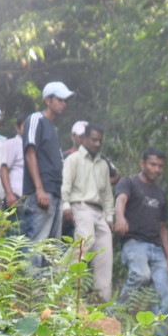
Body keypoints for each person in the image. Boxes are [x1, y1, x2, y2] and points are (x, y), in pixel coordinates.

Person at [115, 147, 168, 318]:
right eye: (153, 164)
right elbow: (121, 199)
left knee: (164, 298)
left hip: (157, 249)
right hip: (134, 243)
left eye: (160, 166)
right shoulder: (129, 182)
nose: (157, 169)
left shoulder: (160, 194)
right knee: (141, 275)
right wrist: (120, 218)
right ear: (142, 163)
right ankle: (113, 315)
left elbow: (162, 227)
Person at [20, 81, 74, 265]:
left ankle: (43, 291)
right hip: (41, 193)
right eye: (60, 99)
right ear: (47, 100)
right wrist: (39, 189)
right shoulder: (36, 119)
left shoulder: (53, 128)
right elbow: (30, 152)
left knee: (51, 249)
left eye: (65, 100)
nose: (63, 104)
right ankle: (29, 289)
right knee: (36, 244)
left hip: (55, 192)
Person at [61, 123, 115, 302]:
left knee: (105, 252)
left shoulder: (103, 164)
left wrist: (109, 216)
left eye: (100, 140)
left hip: (99, 212)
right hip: (80, 205)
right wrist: (66, 206)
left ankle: (102, 300)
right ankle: (62, 281)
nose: (97, 144)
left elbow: (107, 193)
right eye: (93, 139)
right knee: (86, 240)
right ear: (83, 139)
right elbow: (65, 185)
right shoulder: (73, 159)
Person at [0, 115, 25, 231]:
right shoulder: (12, 144)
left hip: (29, 198)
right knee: (15, 233)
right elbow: (4, 168)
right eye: (26, 126)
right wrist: (9, 194)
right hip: (15, 196)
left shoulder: (33, 146)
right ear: (17, 128)